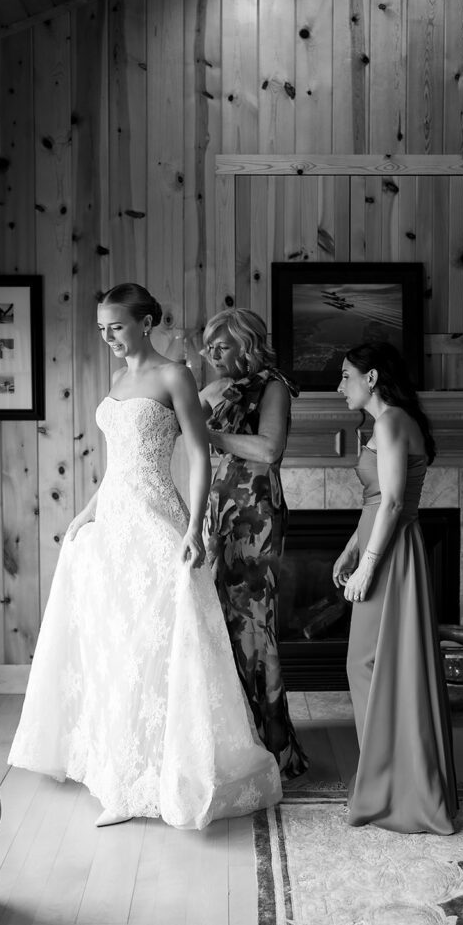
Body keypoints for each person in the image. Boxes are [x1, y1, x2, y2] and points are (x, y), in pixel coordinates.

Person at [8, 284, 282, 829]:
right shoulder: (116, 380)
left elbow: (199, 455)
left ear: (147, 322)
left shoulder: (174, 374)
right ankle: (119, 770)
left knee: (161, 639)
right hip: (115, 517)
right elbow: (119, 466)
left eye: (117, 326)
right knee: (118, 640)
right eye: (102, 328)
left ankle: (160, 772)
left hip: (159, 520)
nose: (108, 336)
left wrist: (195, 530)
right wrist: (87, 512)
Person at [333, 341, 458, 834]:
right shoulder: (389, 422)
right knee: (381, 665)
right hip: (383, 545)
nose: (339, 385)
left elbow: (391, 505)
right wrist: (351, 548)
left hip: (390, 554)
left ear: (372, 377)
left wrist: (367, 566)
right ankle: (388, 778)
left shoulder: (389, 422)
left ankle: (388, 783)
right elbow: (376, 501)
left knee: (365, 663)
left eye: (346, 375)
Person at [200, 308, 308, 780]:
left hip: (258, 515)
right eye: (208, 346)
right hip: (220, 514)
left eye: (220, 346)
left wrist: (208, 434)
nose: (211, 354)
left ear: (247, 344)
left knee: (255, 626)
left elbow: (268, 449)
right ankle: (237, 740)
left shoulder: (273, 386)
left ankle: (274, 749)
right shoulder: (214, 391)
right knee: (224, 624)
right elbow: (175, 424)